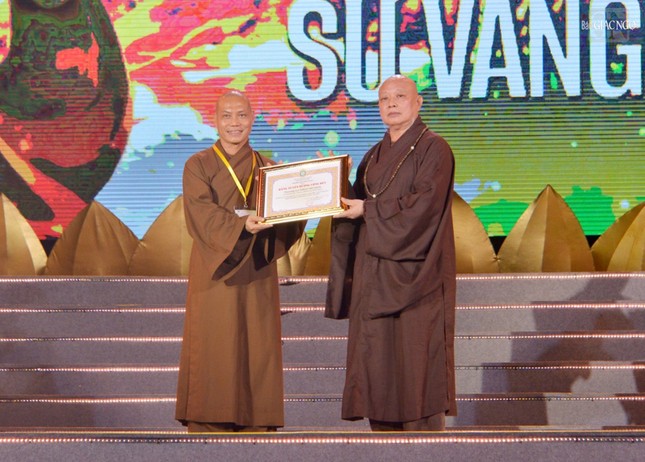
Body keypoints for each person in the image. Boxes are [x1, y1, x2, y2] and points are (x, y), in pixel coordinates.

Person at [326, 75, 457, 431]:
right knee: (377, 371)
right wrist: (333, 182)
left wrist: (368, 211)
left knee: (415, 371)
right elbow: (354, 205)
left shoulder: (435, 149)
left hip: (415, 278)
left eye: (400, 96)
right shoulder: (372, 156)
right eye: (384, 99)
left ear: (418, 102)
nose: (391, 104)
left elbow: (423, 208)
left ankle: (422, 450)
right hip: (373, 277)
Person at [175, 90, 305, 432]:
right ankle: (208, 419)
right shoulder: (197, 165)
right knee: (213, 341)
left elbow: (289, 217)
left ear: (252, 118)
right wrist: (241, 225)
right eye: (227, 116)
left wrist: (306, 201)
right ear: (215, 120)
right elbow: (200, 214)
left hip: (257, 267)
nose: (235, 123)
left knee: (256, 343)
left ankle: (257, 420)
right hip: (214, 269)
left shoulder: (270, 169)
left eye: (242, 115)